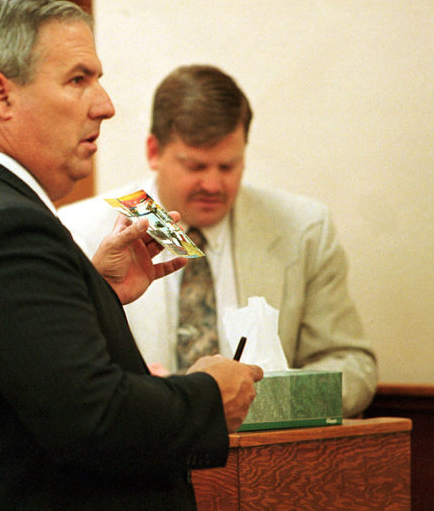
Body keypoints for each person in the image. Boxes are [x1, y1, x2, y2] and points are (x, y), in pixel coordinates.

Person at [0, 0, 263, 510]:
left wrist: (91, 291)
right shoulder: (2, 227)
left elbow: (11, 375)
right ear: (1, 95)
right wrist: (210, 397)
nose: (104, 104)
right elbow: (96, 422)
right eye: (78, 80)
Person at [59, 64, 378, 418]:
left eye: (228, 166)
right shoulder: (78, 230)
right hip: (141, 450)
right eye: (195, 166)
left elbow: (354, 365)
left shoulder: (303, 228)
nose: (213, 185)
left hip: (269, 457)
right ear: (154, 151)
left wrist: (264, 400)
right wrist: (140, 394)